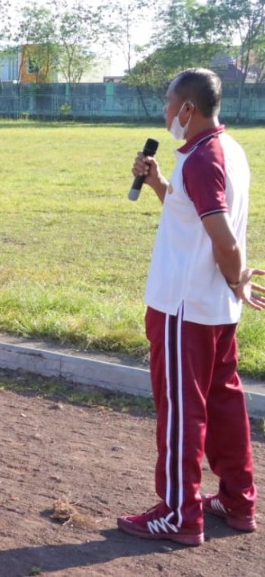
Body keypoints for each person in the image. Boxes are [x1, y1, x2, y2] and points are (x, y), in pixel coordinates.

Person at [118, 68, 261, 546]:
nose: (165, 112)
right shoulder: (226, 150)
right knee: (223, 403)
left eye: (168, 102)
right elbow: (193, 215)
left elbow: (223, 239)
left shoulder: (202, 159)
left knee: (182, 411)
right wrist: (159, 183)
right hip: (212, 307)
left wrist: (236, 278)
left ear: (187, 109)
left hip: (184, 308)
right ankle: (238, 501)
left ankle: (179, 513)